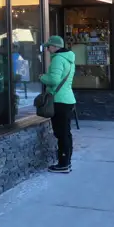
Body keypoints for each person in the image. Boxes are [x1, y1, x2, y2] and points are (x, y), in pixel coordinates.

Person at [40, 35, 76, 173]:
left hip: (59, 101)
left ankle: (63, 164)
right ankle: (67, 162)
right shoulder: (69, 58)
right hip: (68, 99)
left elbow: (54, 80)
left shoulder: (58, 60)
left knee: (61, 134)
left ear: (55, 47)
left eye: (49, 47)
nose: (48, 50)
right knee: (66, 133)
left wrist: (42, 77)